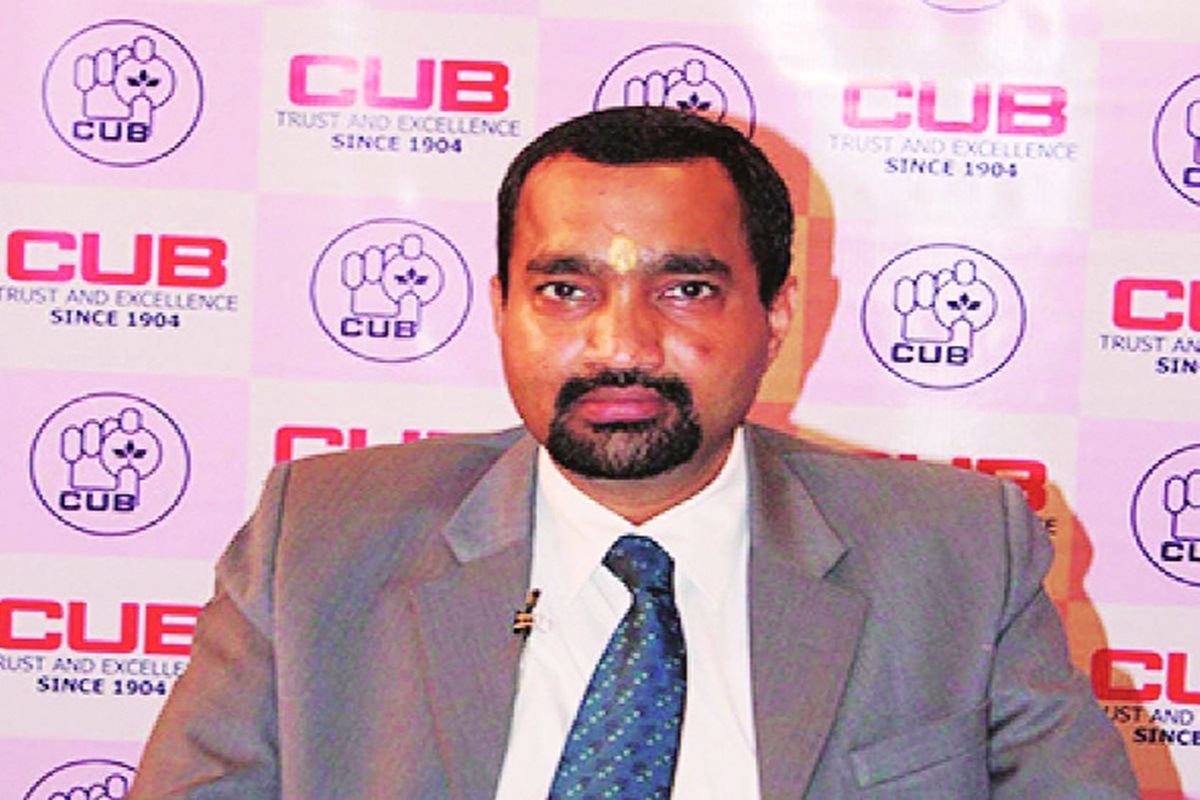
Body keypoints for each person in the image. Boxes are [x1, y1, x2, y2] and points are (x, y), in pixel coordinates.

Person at [130, 106, 1136, 798]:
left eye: (685, 289)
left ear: (776, 312)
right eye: (565, 290)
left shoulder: (958, 553)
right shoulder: (318, 541)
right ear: (502, 309)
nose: (621, 343)